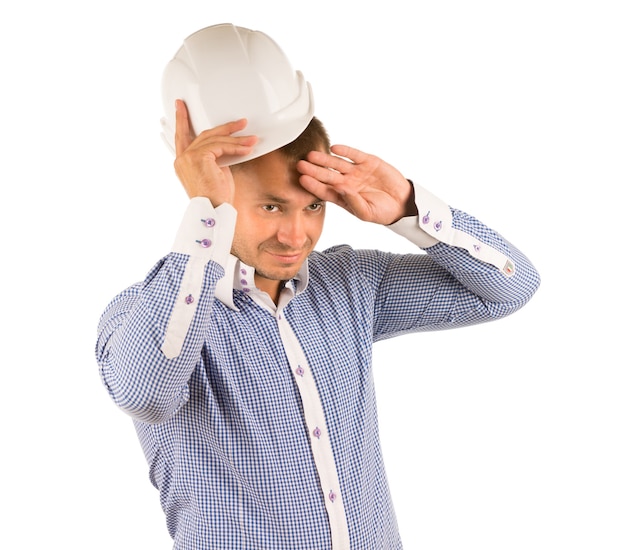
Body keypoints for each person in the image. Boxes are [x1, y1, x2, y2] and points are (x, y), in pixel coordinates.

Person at [96, 23, 540, 550]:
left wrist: (409, 210)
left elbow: (510, 287)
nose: (296, 233)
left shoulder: (350, 286)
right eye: (269, 207)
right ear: (211, 195)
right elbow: (145, 393)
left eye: (312, 207)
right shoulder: (146, 314)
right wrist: (204, 220)